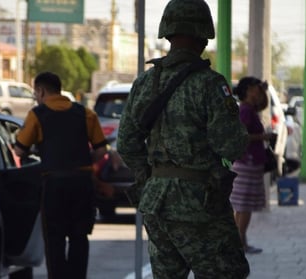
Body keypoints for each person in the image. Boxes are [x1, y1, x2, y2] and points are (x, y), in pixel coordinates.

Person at [117, 0, 250, 278]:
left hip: (155, 202)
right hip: (200, 203)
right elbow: (231, 145)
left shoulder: (145, 82)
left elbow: (126, 143)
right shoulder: (210, 83)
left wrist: (152, 177)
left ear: (166, 33)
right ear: (203, 35)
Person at [14, 72, 108, 279]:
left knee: (54, 238)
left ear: (41, 91)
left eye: (35, 93)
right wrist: (82, 162)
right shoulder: (85, 113)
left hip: (53, 184)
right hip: (82, 183)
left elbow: (20, 150)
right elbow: (102, 150)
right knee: (79, 236)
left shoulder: (37, 115)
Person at [230, 76, 276, 254]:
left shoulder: (248, 110)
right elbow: (241, 135)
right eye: (257, 88)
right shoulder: (245, 111)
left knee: (242, 206)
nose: (260, 92)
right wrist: (263, 137)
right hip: (247, 162)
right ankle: (241, 242)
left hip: (248, 161)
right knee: (245, 206)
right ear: (249, 90)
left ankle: (239, 241)